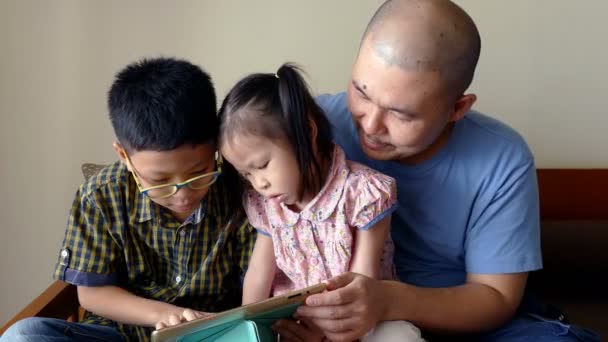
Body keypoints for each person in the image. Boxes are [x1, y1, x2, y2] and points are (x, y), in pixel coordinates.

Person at [272, 1, 601, 341]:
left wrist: (386, 300)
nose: (370, 125)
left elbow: (496, 297)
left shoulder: (502, 159)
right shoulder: (316, 127)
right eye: (361, 92)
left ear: (457, 108)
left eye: (402, 114)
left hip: (460, 325)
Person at [0, 57, 256, 341]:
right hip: (120, 334)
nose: (182, 194)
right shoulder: (100, 196)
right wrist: (162, 314)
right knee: (23, 335)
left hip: (213, 334)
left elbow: (257, 291)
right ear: (124, 155)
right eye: (159, 181)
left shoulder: (243, 193)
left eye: (199, 172)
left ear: (216, 144)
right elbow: (92, 294)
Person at [218, 63, 425, 341]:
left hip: (360, 316)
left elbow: (362, 282)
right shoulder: (267, 205)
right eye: (246, 174)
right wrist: (247, 329)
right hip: (298, 325)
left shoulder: (362, 193)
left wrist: (332, 333)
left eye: (263, 165)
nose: (259, 183)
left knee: (399, 336)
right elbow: (258, 276)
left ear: (306, 131)